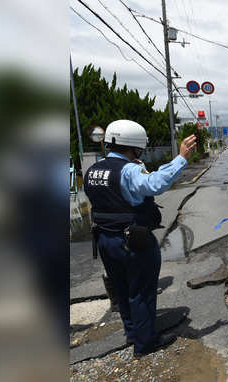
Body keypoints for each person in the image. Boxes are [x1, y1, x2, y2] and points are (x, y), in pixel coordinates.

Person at [84, 120, 197, 358]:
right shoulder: (129, 170)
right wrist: (182, 158)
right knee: (142, 290)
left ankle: (133, 332)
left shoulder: (94, 170)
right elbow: (155, 183)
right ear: (135, 146)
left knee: (123, 290)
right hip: (133, 240)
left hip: (105, 239)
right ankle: (145, 343)